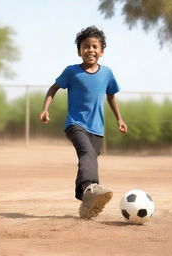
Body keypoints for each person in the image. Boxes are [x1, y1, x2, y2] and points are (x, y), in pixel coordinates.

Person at [39, 26, 127, 219]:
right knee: (86, 152)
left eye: (95, 46)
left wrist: (119, 118)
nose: (90, 50)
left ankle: (86, 201)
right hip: (75, 123)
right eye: (85, 46)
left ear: (102, 51)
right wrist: (46, 109)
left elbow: (111, 96)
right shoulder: (71, 72)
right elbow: (53, 89)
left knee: (89, 159)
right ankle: (91, 189)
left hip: (97, 128)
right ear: (79, 50)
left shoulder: (107, 73)